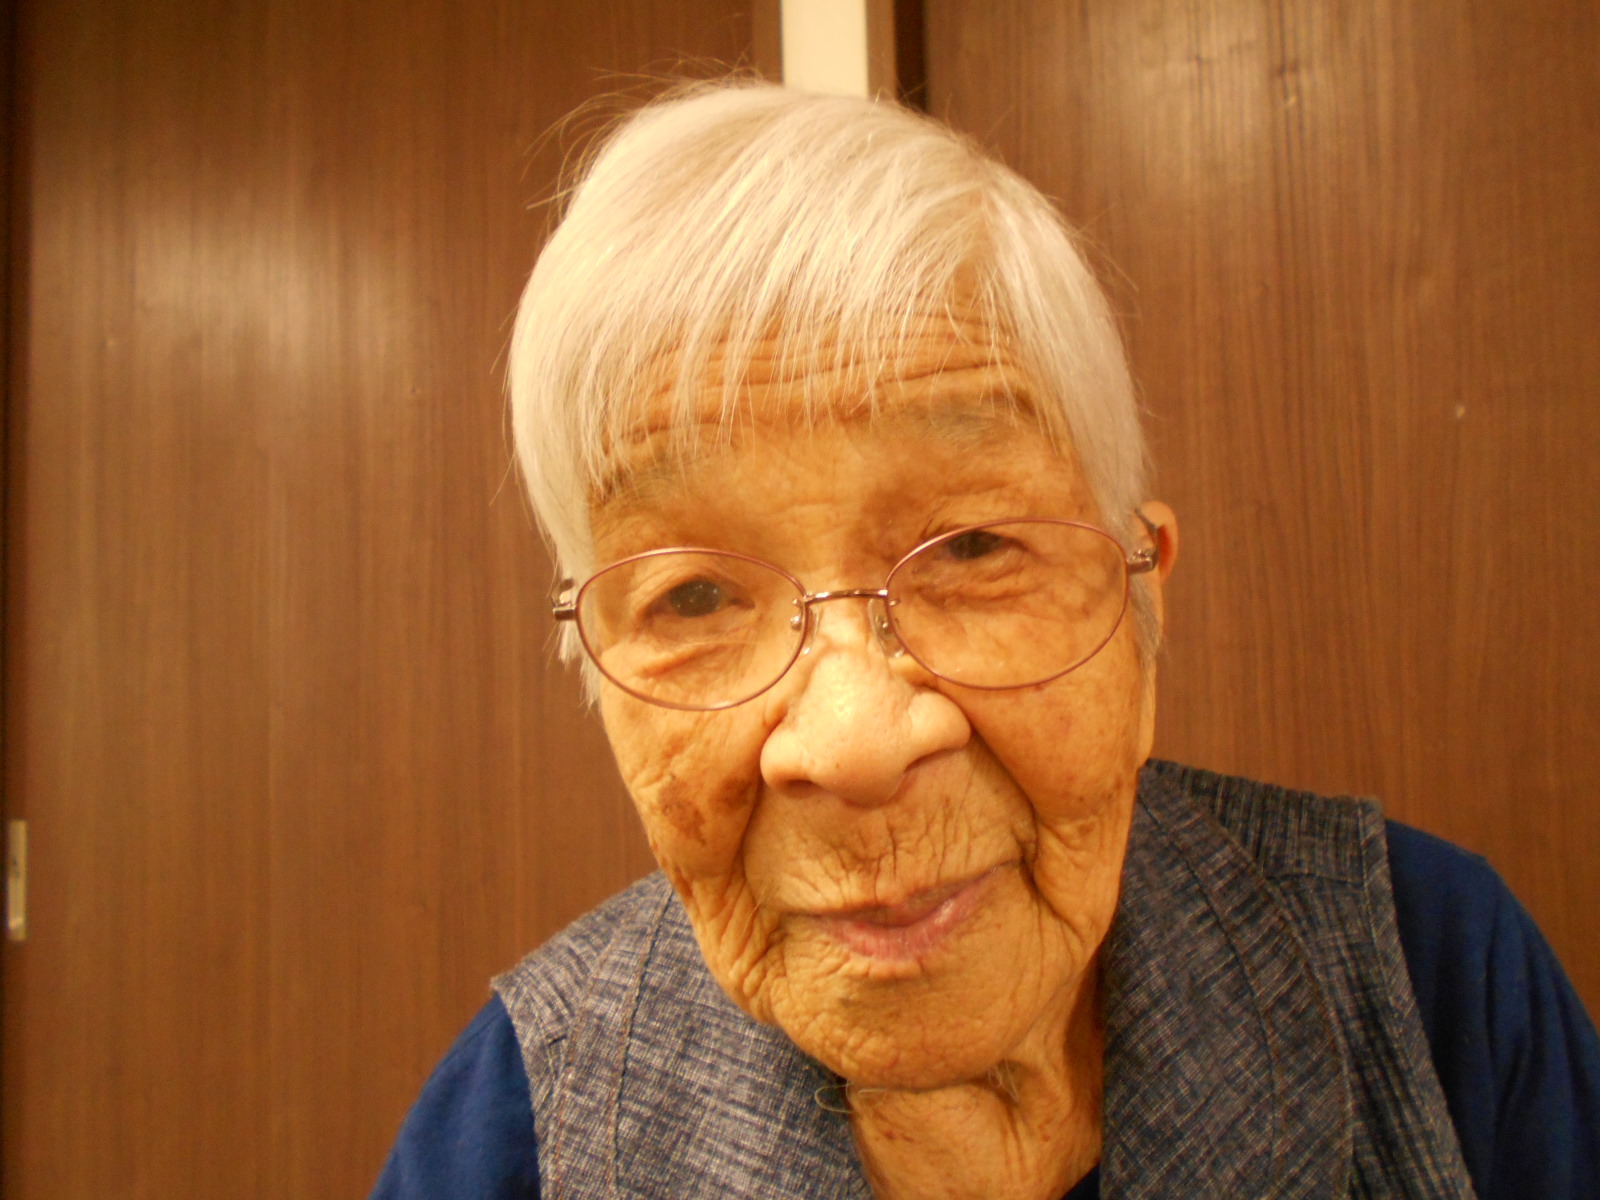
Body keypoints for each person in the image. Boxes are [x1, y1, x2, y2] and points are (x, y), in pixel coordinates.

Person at [371, 82, 1600, 1199]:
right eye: (693, 598)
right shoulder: (518, 1127)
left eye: (971, 548)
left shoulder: (1428, 970)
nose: (854, 742)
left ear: (1142, 605)